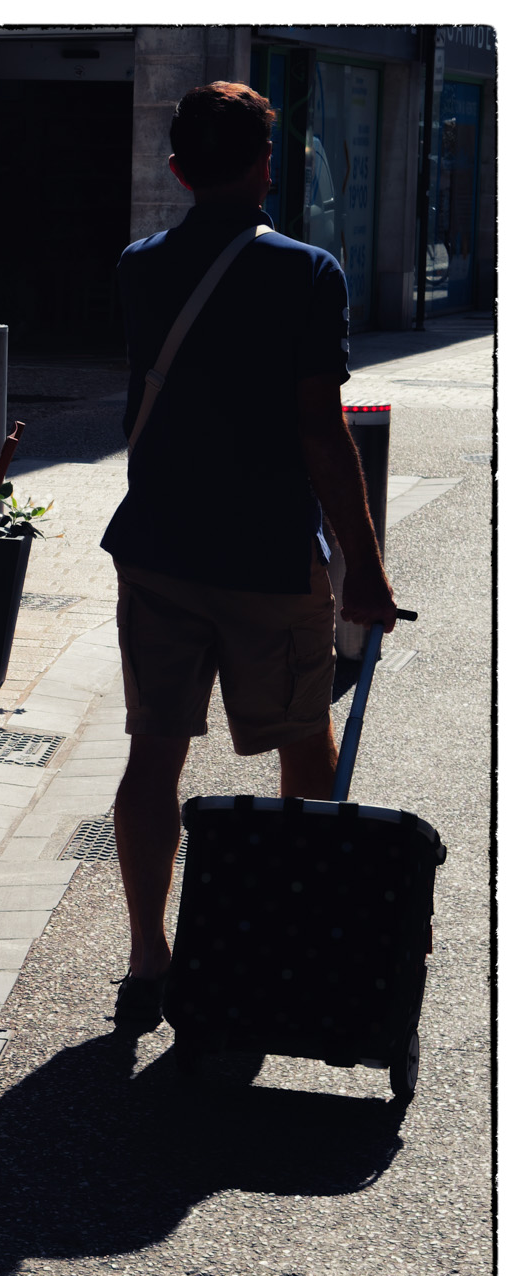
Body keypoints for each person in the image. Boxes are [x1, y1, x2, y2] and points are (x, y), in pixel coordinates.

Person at [100, 82, 397, 1032]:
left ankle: (151, 954)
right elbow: (320, 430)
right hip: (270, 558)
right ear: (269, 164)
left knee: (155, 754)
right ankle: (288, 927)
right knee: (302, 744)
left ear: (178, 169)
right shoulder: (309, 273)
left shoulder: (139, 267)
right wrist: (366, 563)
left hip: (158, 547)